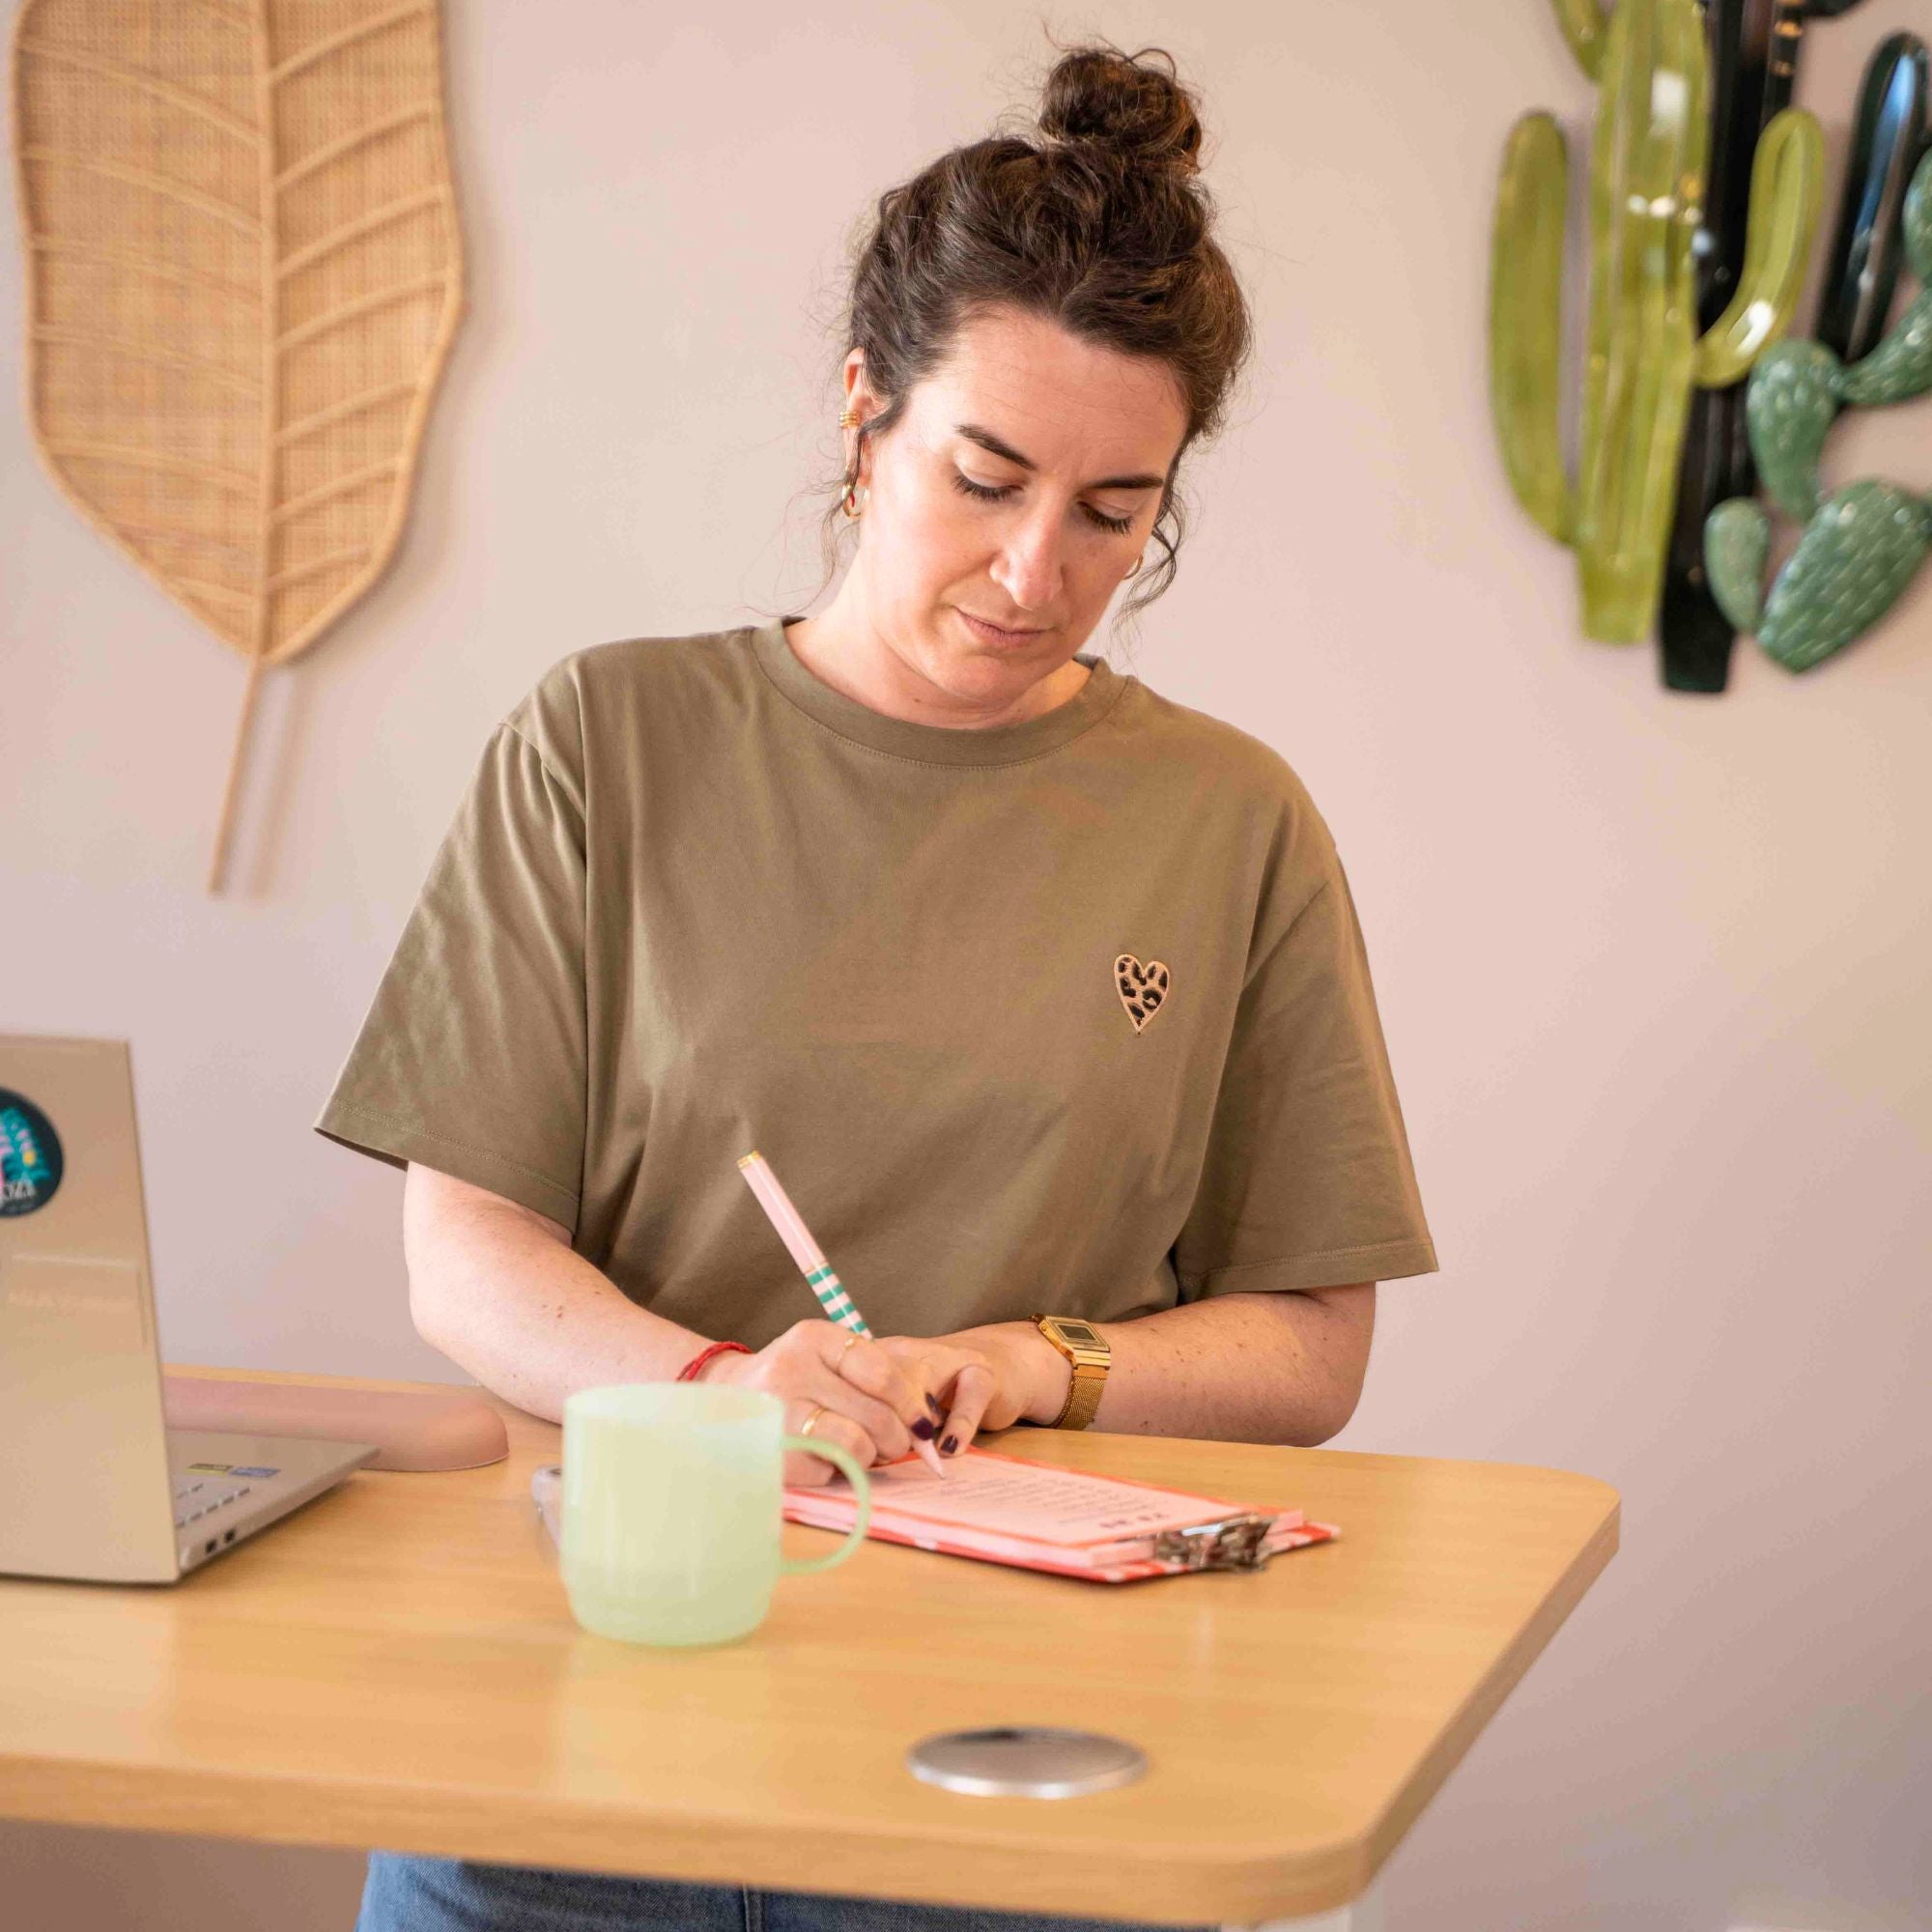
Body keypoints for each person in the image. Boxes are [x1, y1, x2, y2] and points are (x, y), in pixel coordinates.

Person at [315, 35, 1438, 1932]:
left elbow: (1309, 1345)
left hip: (1034, 1784)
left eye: (1113, 509)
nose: (1035, 569)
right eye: (983, 475)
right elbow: (466, 1253)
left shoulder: (1229, 820)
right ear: (861, 411)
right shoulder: (607, 741)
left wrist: (1032, 1363)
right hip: (578, 1756)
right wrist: (718, 1388)